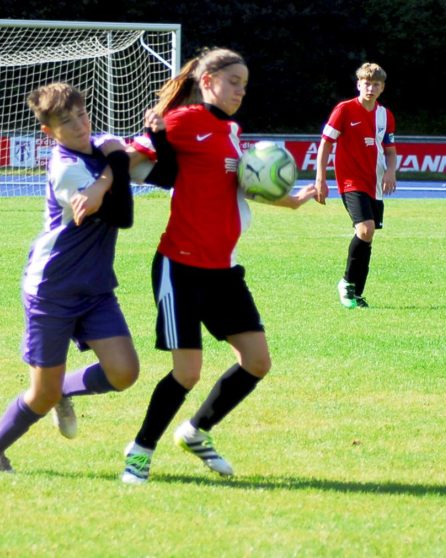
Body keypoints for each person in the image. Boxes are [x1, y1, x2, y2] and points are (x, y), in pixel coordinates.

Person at [121, 47, 316, 485]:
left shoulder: (230, 129)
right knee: (187, 372)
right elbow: (132, 160)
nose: (240, 92)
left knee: (257, 361)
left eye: (245, 86)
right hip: (180, 267)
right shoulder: (185, 120)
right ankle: (139, 451)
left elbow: (237, 184)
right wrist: (100, 183)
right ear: (207, 82)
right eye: (233, 83)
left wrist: (290, 200)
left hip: (223, 270)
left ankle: (195, 432)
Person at [0, 82, 139, 473]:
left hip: (94, 287)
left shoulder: (103, 143)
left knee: (124, 372)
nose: (80, 126)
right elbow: (124, 216)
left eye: (82, 114)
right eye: (67, 121)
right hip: (52, 289)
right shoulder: (66, 170)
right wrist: (112, 172)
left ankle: (64, 387)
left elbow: (123, 157)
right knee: (41, 394)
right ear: (49, 133)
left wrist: (108, 176)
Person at [314, 62, 397, 309]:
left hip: (376, 184)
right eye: (367, 83)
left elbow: (390, 151)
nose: (370, 88)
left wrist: (391, 172)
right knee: (365, 229)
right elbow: (325, 144)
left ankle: (356, 293)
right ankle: (346, 283)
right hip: (351, 182)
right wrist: (320, 178)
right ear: (358, 84)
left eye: (376, 84)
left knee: (367, 236)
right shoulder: (344, 110)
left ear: (382, 88)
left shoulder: (385, 115)